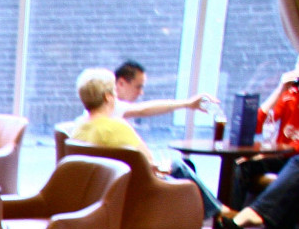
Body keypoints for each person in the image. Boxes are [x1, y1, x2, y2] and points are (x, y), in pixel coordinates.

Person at [69, 68, 221, 220]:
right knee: (180, 168)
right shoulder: (118, 127)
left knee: (181, 167)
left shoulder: (77, 128)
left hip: (100, 193)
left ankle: (220, 213)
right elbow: (149, 163)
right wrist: (162, 167)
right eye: (114, 92)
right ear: (108, 97)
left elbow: (144, 110)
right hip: (134, 193)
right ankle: (220, 214)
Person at [230, 42, 299, 210]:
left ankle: (255, 213)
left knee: (297, 166)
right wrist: (279, 90)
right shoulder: (289, 93)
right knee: (241, 165)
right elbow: (255, 127)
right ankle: (229, 221)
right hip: (286, 156)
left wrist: (272, 152)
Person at [113, 60, 219, 123]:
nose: (141, 93)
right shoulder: (111, 106)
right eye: (138, 87)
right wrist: (188, 104)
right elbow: (143, 110)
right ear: (121, 83)